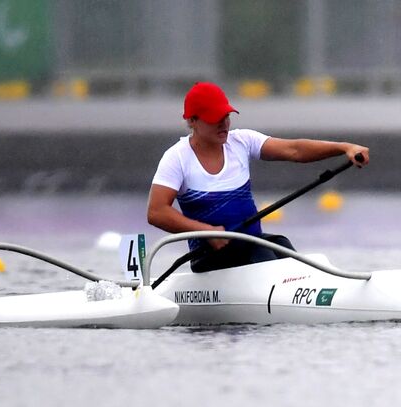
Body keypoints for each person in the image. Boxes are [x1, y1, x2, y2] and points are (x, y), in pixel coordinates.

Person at [147, 81, 369, 273]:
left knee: (281, 244)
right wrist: (206, 232)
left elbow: (294, 150)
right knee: (262, 253)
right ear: (193, 120)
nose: (224, 123)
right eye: (215, 118)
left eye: (226, 116)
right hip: (209, 256)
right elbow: (156, 212)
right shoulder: (176, 158)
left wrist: (344, 147)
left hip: (252, 247)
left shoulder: (242, 141)